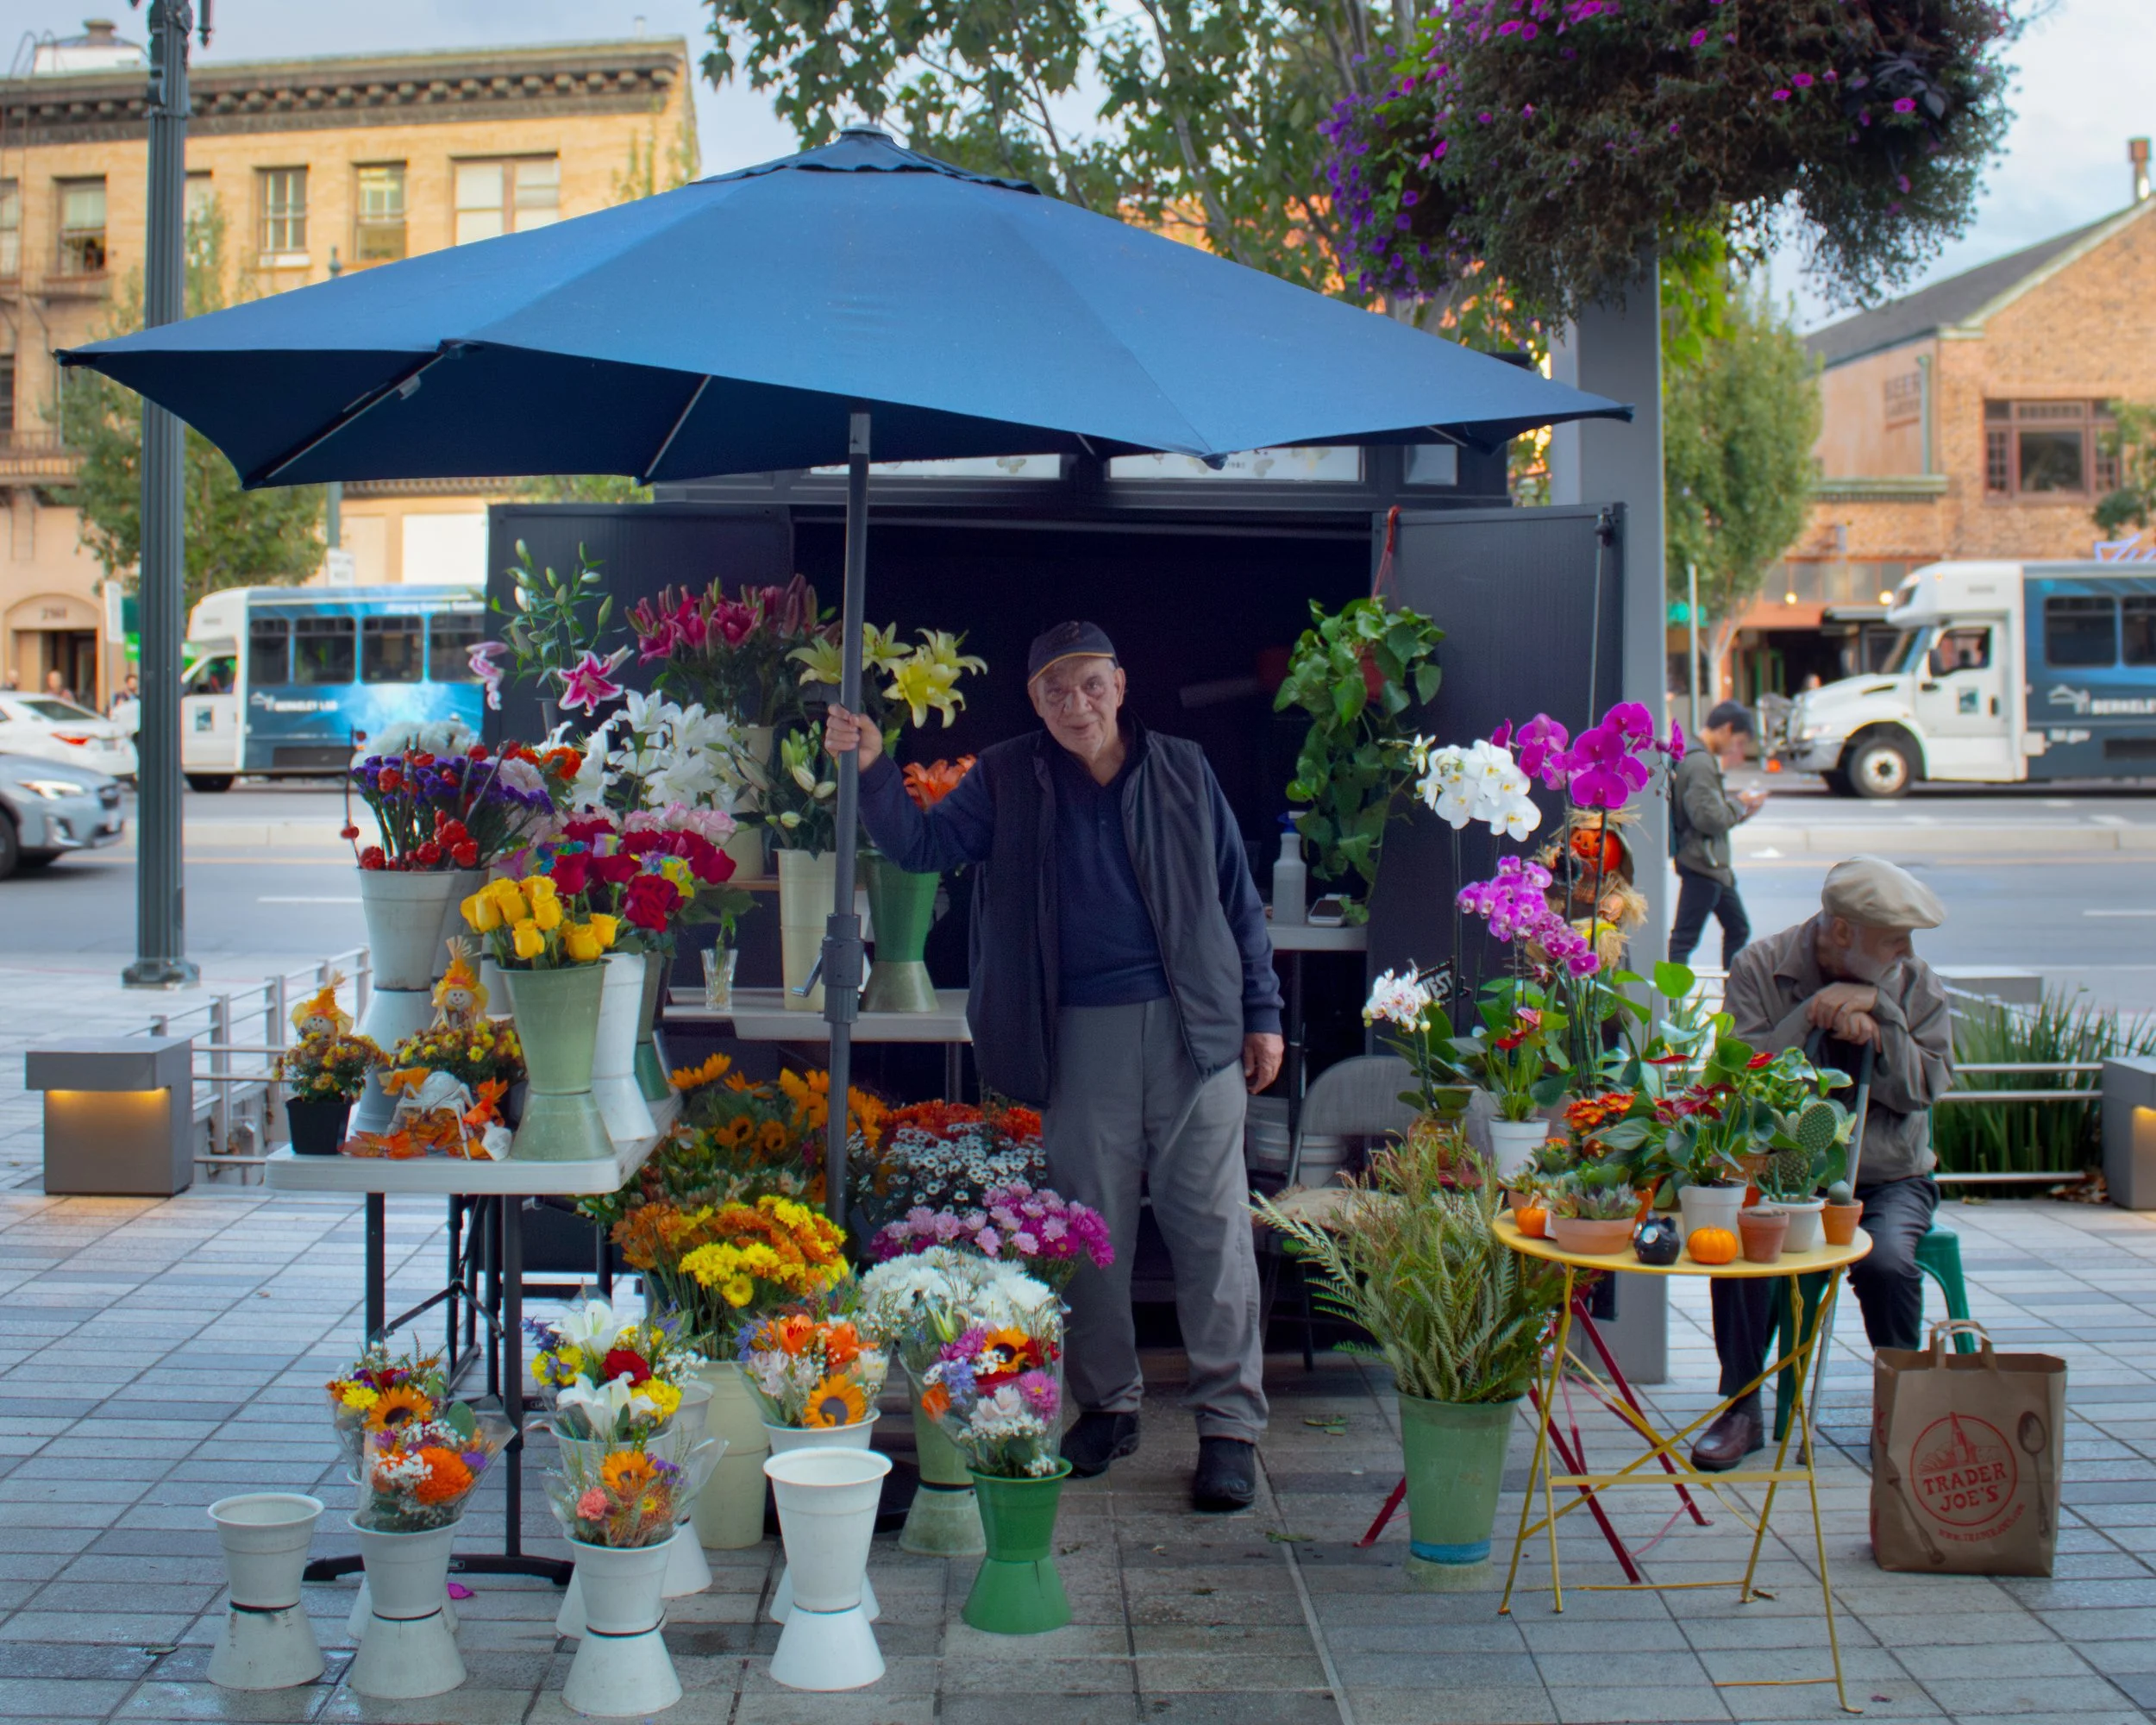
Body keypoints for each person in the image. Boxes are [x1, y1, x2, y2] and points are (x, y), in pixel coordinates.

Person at [824, 620, 1284, 1511]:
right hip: (1076, 1033)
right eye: (1054, 690)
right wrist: (874, 767)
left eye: (1090, 683)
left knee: (1214, 1232)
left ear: (1120, 680)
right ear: (1033, 699)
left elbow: (1238, 895)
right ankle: (1107, 1405)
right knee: (1092, 1237)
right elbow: (918, 848)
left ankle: (1229, 1424)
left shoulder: (1184, 766)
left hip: (1197, 1033)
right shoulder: (1006, 774)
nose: (1077, 704)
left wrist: (1260, 1013)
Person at [1689, 855, 1954, 1470]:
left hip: (1889, 1180)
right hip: (1786, 1175)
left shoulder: (1914, 980)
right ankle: (1742, 1407)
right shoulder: (1760, 966)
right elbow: (1741, 1079)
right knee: (1740, 1244)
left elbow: (1925, 1090)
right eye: (1893, 940)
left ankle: (1901, 1408)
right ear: (1842, 932)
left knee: (1887, 1261)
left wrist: (1883, 1017)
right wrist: (1810, 1014)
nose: (1906, 952)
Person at [1669, 699, 1766, 969]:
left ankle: (1734, 998)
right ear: (1727, 729)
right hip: (1703, 864)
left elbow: (1710, 814)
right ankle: (1670, 1005)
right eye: (1739, 742)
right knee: (1683, 942)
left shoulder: (1696, 756)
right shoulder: (1700, 762)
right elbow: (1708, 818)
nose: (1737, 750)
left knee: (1737, 929)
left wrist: (1741, 810)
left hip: (1711, 865)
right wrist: (1741, 803)